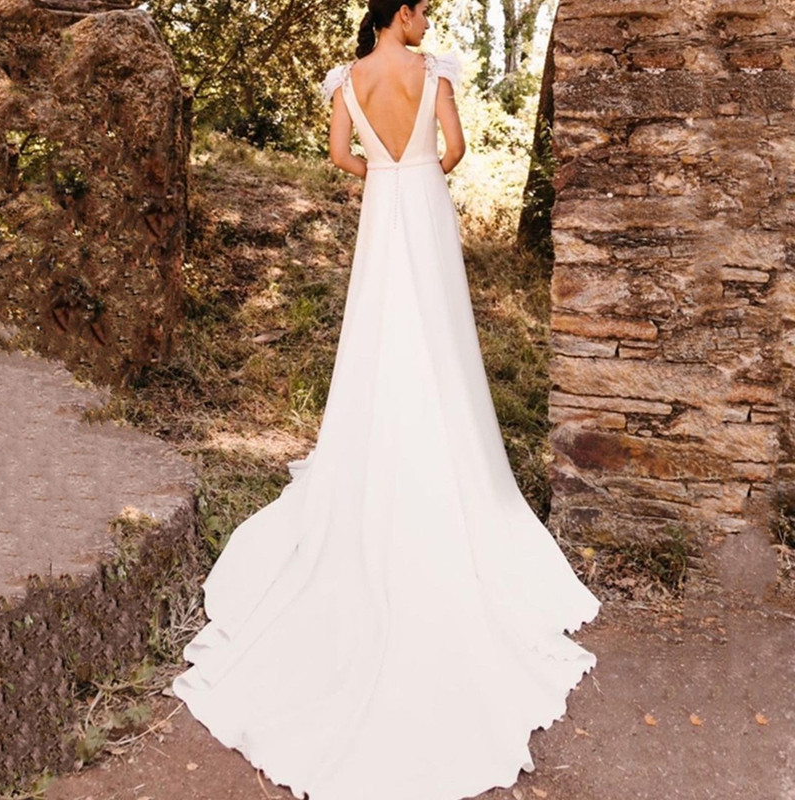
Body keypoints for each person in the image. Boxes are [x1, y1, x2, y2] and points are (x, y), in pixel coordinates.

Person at [172, 2, 602, 799]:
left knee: (379, 325)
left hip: (382, 209)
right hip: (426, 205)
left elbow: (340, 154)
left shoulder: (349, 80)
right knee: (439, 327)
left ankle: (378, 438)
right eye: (423, 9)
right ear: (398, 11)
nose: (428, 22)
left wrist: (380, 169)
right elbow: (457, 149)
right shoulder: (433, 74)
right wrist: (421, 168)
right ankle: (447, 447)